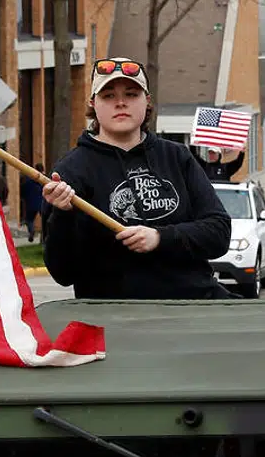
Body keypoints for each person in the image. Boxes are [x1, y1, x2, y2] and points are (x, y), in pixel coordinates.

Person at [41, 57, 234, 299]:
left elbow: (218, 233)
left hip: (193, 308)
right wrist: (63, 216)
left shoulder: (177, 156)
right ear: (93, 103)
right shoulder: (71, 172)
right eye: (108, 95)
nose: (120, 103)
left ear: (147, 101)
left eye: (131, 94)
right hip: (115, 319)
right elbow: (63, 273)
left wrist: (160, 238)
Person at [19, 162, 46, 242]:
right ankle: (43, 237)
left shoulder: (28, 180)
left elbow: (23, 190)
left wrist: (24, 198)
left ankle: (31, 231)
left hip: (30, 203)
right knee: (45, 220)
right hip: (42, 203)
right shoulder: (44, 180)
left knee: (29, 220)